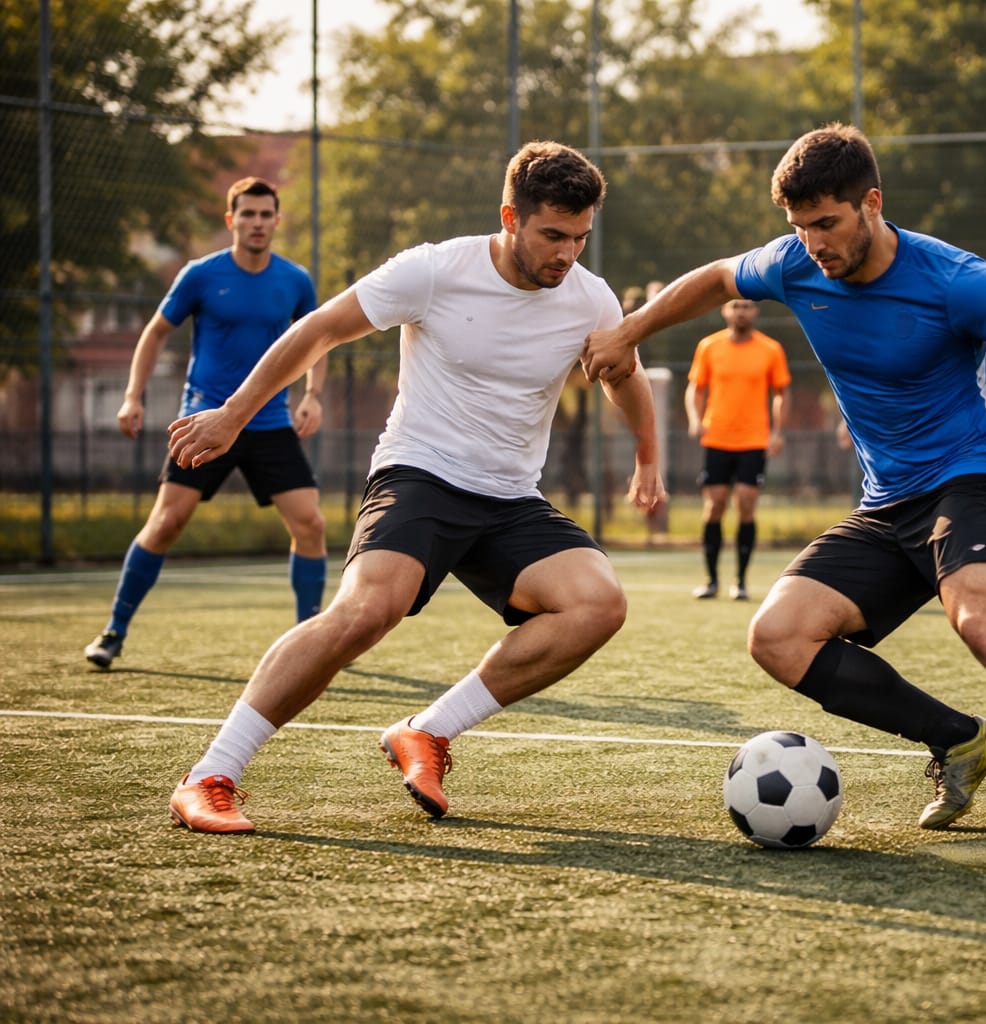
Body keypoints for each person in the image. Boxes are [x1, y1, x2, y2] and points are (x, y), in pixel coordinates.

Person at [583, 123, 986, 857]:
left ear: (871, 203)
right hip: (887, 502)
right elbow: (715, 279)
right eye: (800, 226)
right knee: (778, 637)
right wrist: (630, 331)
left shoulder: (955, 280)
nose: (813, 243)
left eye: (827, 223)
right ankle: (959, 740)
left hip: (972, 479)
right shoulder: (793, 263)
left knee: (982, 620)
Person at [162, 141, 664, 834]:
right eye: (553, 235)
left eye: (580, 238)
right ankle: (209, 775)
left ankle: (427, 731)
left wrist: (646, 454)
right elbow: (318, 331)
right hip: (420, 474)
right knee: (367, 612)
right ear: (510, 217)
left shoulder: (589, 297)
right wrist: (233, 415)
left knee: (598, 604)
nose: (567, 254)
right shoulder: (433, 270)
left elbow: (622, 373)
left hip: (510, 496)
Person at [84, 176, 326, 671]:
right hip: (205, 419)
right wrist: (132, 396)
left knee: (311, 524)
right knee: (166, 523)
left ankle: (311, 641)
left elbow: (317, 339)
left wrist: (312, 395)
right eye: (248, 214)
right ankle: (114, 631)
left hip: (269, 422)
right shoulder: (200, 275)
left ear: (277, 221)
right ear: (231, 219)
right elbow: (155, 333)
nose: (257, 223)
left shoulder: (295, 280)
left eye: (265, 215)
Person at [684, 298, 791, 601]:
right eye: (735, 306)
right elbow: (695, 388)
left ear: (755, 311)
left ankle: (741, 581)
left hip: (754, 440)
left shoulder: (770, 349)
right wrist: (695, 419)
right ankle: (711, 580)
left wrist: (778, 432)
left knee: (745, 503)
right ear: (725, 311)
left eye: (747, 306)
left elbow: (782, 393)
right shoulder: (709, 346)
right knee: (715, 505)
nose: (741, 311)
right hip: (717, 438)